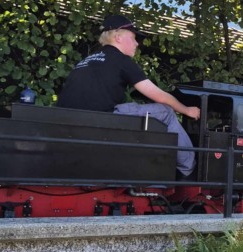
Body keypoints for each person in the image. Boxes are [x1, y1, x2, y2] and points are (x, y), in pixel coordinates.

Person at [56, 14, 201, 178]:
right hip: (103, 121)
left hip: (69, 126)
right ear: (118, 37)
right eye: (133, 37)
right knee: (166, 112)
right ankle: (189, 172)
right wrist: (187, 110)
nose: (137, 43)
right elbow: (159, 96)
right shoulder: (121, 61)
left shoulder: (86, 60)